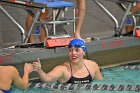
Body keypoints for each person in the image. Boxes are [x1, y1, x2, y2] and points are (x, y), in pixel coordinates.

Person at [32, 38, 103, 84]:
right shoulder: (63, 69)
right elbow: (47, 79)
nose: (73, 53)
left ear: (84, 52)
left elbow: (100, 84)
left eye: (77, 50)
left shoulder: (92, 66)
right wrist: (39, 71)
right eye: (70, 50)